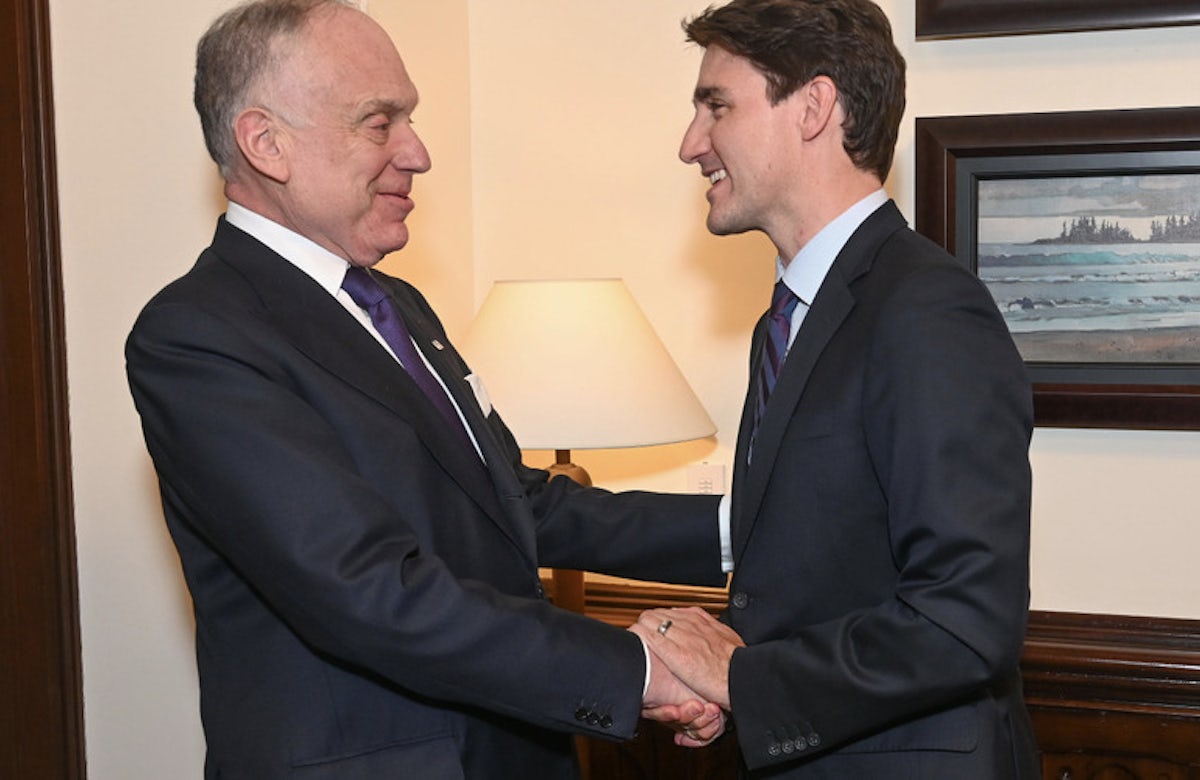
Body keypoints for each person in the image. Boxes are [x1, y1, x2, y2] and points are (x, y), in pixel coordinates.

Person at [125, 1, 726, 777]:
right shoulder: (200, 336)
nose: (418, 153)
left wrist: (741, 524)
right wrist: (636, 668)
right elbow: (368, 590)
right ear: (265, 143)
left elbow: (518, 505)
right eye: (380, 123)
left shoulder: (396, 304)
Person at [631, 0, 1041, 777]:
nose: (691, 145)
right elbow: (810, 556)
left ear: (813, 107)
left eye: (715, 105)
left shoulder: (925, 307)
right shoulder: (787, 322)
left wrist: (744, 678)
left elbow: (965, 620)